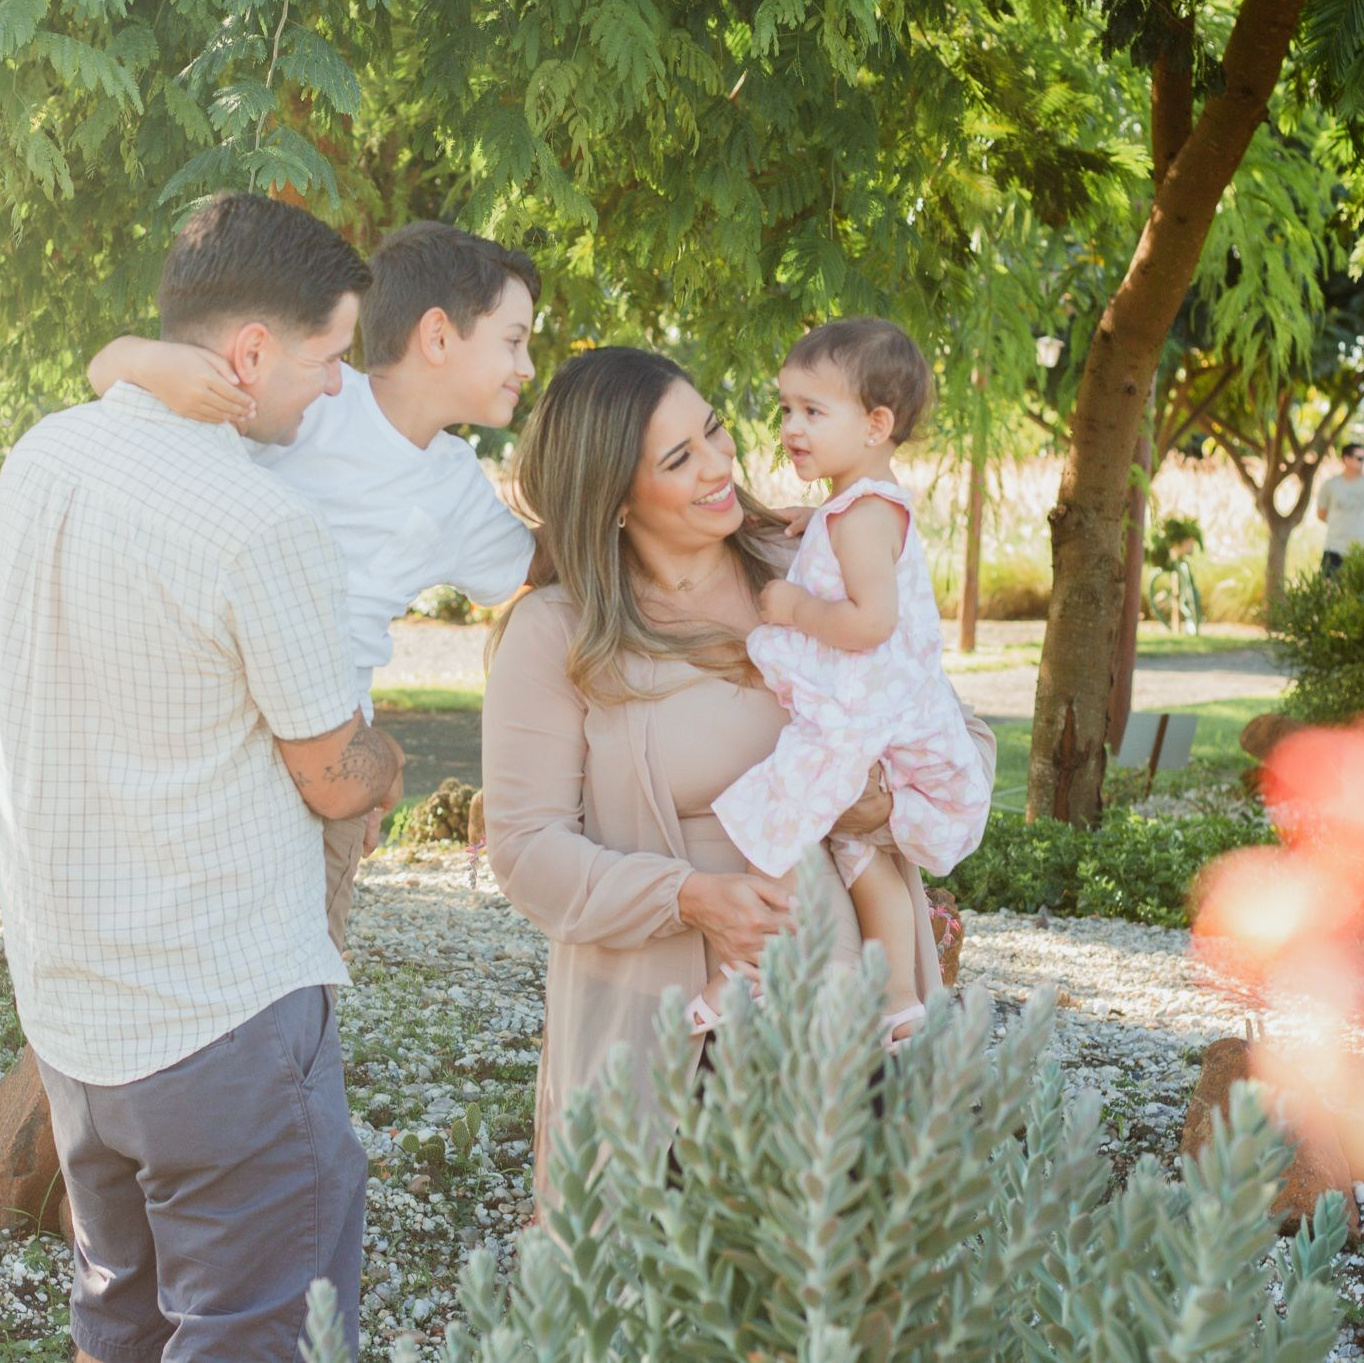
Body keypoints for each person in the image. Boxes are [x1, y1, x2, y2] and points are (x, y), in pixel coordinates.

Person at [0, 193, 403, 1361]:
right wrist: (383, 761)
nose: (337, 384)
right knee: (257, 1330)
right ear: (252, 353)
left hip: (73, 999)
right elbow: (333, 776)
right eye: (328, 356)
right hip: (216, 1012)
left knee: (118, 1313)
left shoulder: (38, 455)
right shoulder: (258, 521)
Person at [480, 347, 996, 1203]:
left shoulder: (811, 565)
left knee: (848, 1277)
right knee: (676, 1274)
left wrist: (880, 803)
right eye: (679, 457)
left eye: (715, 429)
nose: (721, 463)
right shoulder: (557, 631)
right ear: (613, 495)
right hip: (675, 1041)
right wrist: (689, 897)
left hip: (852, 1021)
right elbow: (528, 852)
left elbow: (955, 732)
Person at [88, 222, 544, 948]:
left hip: (335, 748)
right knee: (190, 943)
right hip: (222, 727)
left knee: (306, 953)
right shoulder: (314, 399)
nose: (527, 366)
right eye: (513, 341)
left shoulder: (457, 484)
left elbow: (541, 572)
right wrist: (147, 358)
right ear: (437, 335)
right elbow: (112, 372)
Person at [710, 319, 992, 1048]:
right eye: (786, 409)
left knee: (780, 811)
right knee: (866, 854)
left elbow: (869, 622)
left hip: (867, 709)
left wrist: (792, 607)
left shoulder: (862, 516)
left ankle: (750, 963)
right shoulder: (862, 504)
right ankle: (897, 997)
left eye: (813, 411)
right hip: (893, 710)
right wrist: (818, 522)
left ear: (876, 425)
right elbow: (857, 551)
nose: (791, 428)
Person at [1317, 441, 1364, 577]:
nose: (1362, 462)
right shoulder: (1331, 485)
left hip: (1360, 550)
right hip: (1334, 548)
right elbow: (1321, 514)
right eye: (1359, 458)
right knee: (1328, 587)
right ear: (1346, 459)